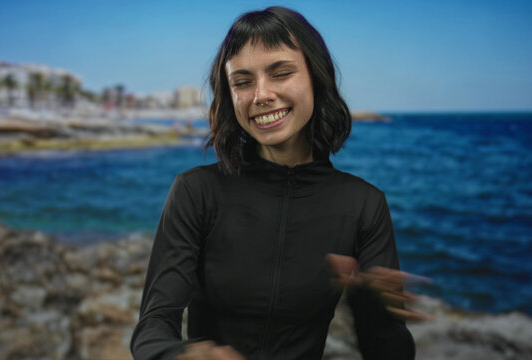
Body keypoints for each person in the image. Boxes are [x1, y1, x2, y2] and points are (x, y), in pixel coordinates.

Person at [131, 6, 426, 360]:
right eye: (242, 82)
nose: (261, 95)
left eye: (280, 73)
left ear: (316, 78)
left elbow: (390, 353)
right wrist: (178, 355)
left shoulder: (364, 204)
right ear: (230, 95)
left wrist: (370, 307)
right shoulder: (196, 192)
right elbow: (152, 326)